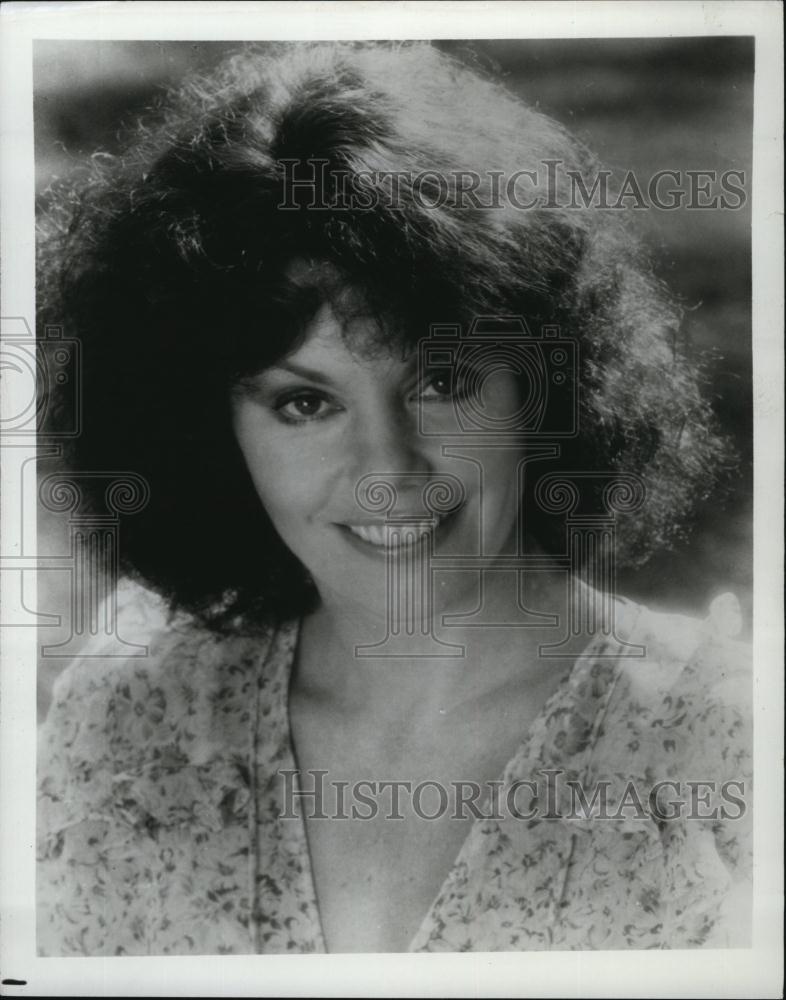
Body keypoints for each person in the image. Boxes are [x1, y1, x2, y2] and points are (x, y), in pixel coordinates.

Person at [36, 41, 751, 955]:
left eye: (442, 380)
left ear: (543, 381)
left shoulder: (722, 747)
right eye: (305, 402)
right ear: (208, 432)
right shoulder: (130, 727)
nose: (386, 468)